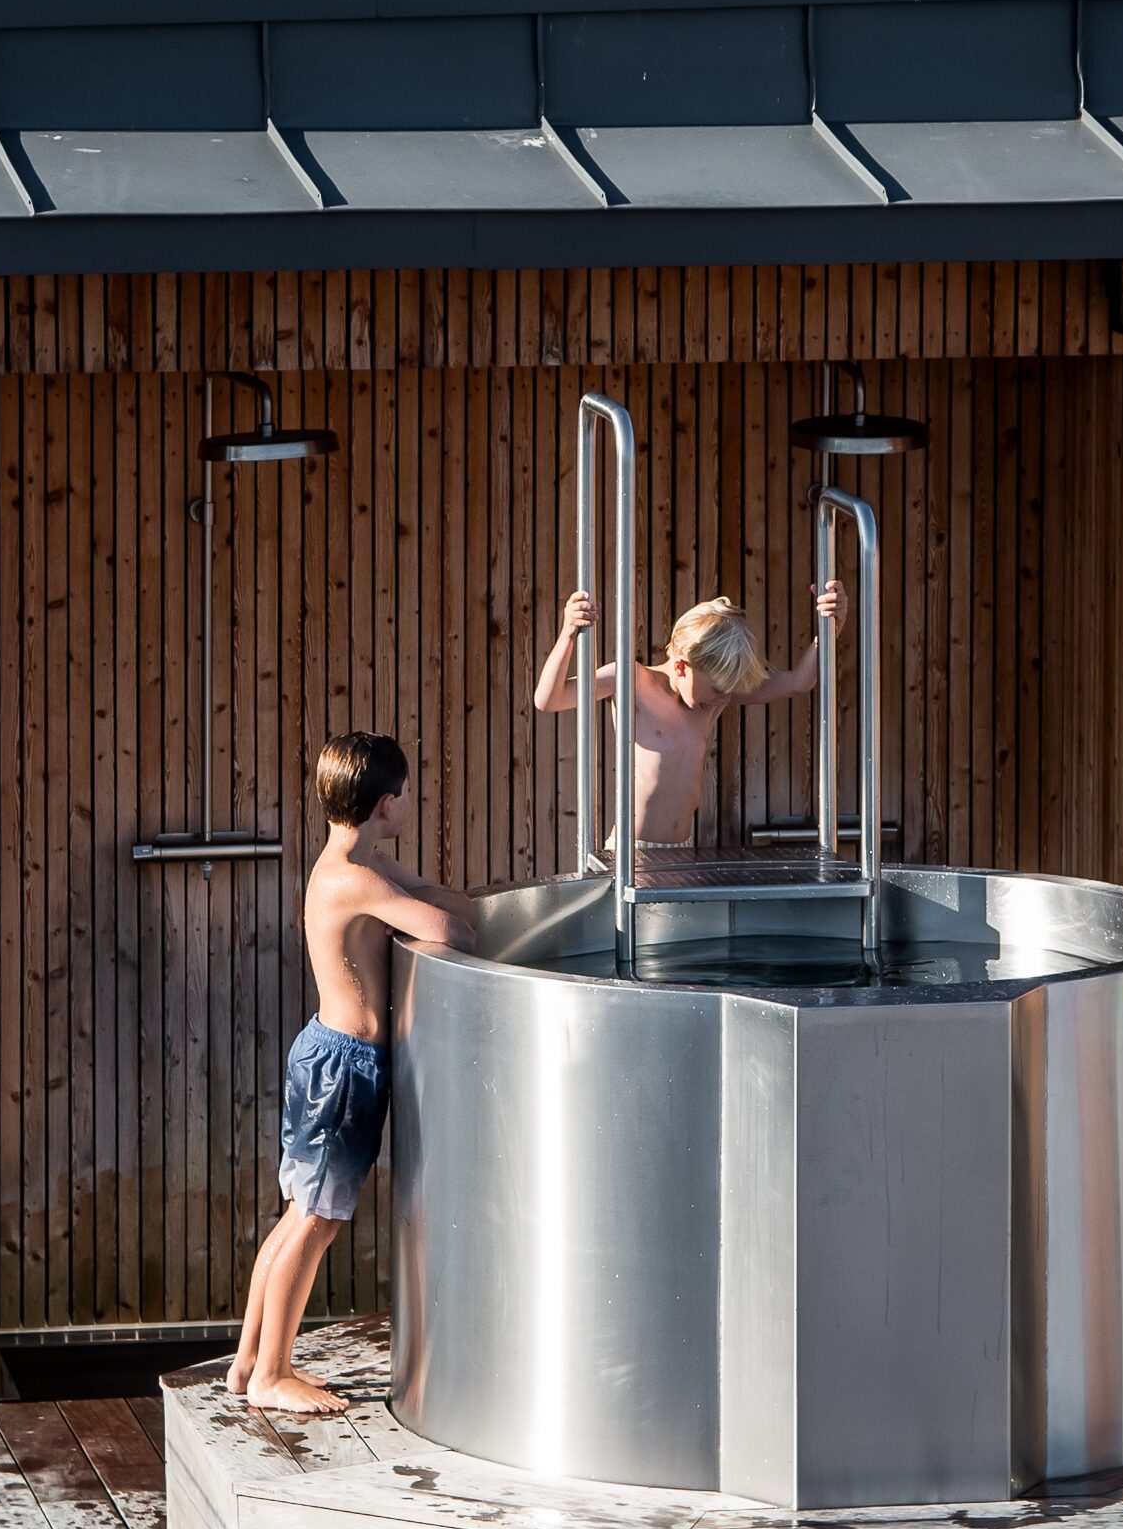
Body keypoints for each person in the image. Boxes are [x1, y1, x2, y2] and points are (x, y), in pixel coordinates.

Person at [227, 732, 471, 1417]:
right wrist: (449, 913)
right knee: (315, 1222)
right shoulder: (355, 878)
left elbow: (431, 894)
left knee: (297, 1218)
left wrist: (441, 899)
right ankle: (275, 1372)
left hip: (332, 1058)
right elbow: (453, 931)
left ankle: (249, 1361)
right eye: (407, 795)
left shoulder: (357, 861)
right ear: (390, 803)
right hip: (344, 1068)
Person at [532, 578, 850, 850]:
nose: (722, 699)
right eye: (716, 690)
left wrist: (832, 626)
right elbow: (549, 699)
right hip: (631, 851)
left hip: (681, 850)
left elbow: (798, 682)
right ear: (682, 667)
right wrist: (568, 633)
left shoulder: (712, 699)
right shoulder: (631, 680)